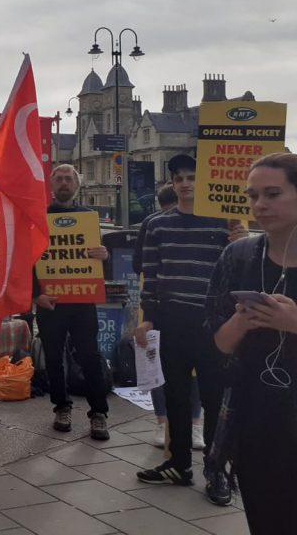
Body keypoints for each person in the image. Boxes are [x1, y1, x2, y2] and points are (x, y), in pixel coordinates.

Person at [134, 154, 246, 505]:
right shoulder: (156, 225)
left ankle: (216, 470)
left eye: (191, 177)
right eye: (178, 178)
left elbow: (241, 275)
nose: (184, 184)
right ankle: (179, 464)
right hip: (170, 320)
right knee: (176, 396)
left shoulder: (224, 224)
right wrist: (148, 317)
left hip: (212, 322)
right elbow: (151, 274)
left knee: (214, 399)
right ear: (171, 184)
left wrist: (239, 244)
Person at [208, 152, 297, 534]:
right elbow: (219, 344)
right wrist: (242, 320)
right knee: (266, 519)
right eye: (253, 195)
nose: (260, 205)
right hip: (255, 419)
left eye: (273, 193)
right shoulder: (238, 256)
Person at [32, 164, 111, 440]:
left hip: (82, 300)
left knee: (90, 356)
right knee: (53, 358)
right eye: (59, 178)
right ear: (51, 185)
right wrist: (35, 295)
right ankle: (61, 407)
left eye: (69, 179)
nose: (64, 183)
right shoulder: (38, 217)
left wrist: (104, 256)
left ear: (77, 185)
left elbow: (98, 264)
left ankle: (99, 413)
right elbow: (28, 260)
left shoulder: (88, 217)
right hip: (50, 301)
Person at [132, 184, 204, 449]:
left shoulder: (213, 222)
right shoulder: (153, 224)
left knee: (187, 370)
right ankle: (166, 424)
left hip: (195, 309)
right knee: (158, 366)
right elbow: (141, 264)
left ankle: (190, 424)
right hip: (160, 304)